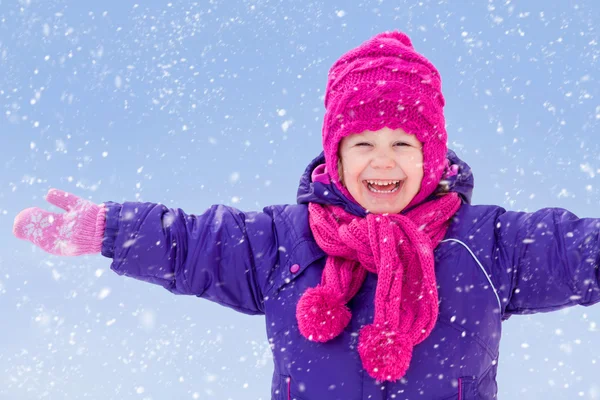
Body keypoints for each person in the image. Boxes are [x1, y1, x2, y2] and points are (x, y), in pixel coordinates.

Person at [12, 31, 600, 400]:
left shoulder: (484, 244)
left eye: (403, 143)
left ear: (432, 155)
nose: (383, 162)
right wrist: (111, 229)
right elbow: (192, 245)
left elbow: (576, 251)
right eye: (363, 143)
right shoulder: (286, 243)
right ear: (336, 156)